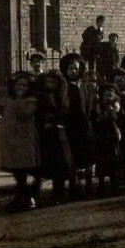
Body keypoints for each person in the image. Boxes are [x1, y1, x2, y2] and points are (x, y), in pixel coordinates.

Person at [0, 74, 39, 212]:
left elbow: (25, 115)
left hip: (24, 138)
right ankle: (22, 197)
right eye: (19, 85)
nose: (21, 88)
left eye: (25, 85)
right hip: (8, 137)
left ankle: (26, 197)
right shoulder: (7, 99)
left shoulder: (31, 101)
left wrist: (17, 101)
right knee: (15, 169)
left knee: (22, 168)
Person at [35, 70, 74, 204]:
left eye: (53, 82)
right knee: (45, 163)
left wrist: (59, 123)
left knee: (60, 164)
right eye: (48, 82)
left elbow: (65, 113)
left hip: (58, 134)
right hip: (45, 134)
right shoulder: (41, 96)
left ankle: (59, 192)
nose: (51, 84)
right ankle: (38, 193)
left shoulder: (62, 96)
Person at [61, 53, 97, 197]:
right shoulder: (64, 86)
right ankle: (73, 185)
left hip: (84, 123)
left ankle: (89, 185)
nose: (73, 71)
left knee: (87, 154)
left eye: (76, 69)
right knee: (72, 156)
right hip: (71, 124)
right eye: (70, 69)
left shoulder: (83, 85)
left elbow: (89, 103)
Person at [94, 89, 123, 193]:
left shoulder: (116, 107)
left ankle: (114, 183)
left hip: (112, 137)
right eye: (105, 95)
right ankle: (101, 185)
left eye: (110, 95)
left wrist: (111, 110)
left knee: (113, 161)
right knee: (101, 161)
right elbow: (97, 120)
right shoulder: (99, 107)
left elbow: (117, 119)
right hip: (102, 137)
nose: (107, 98)